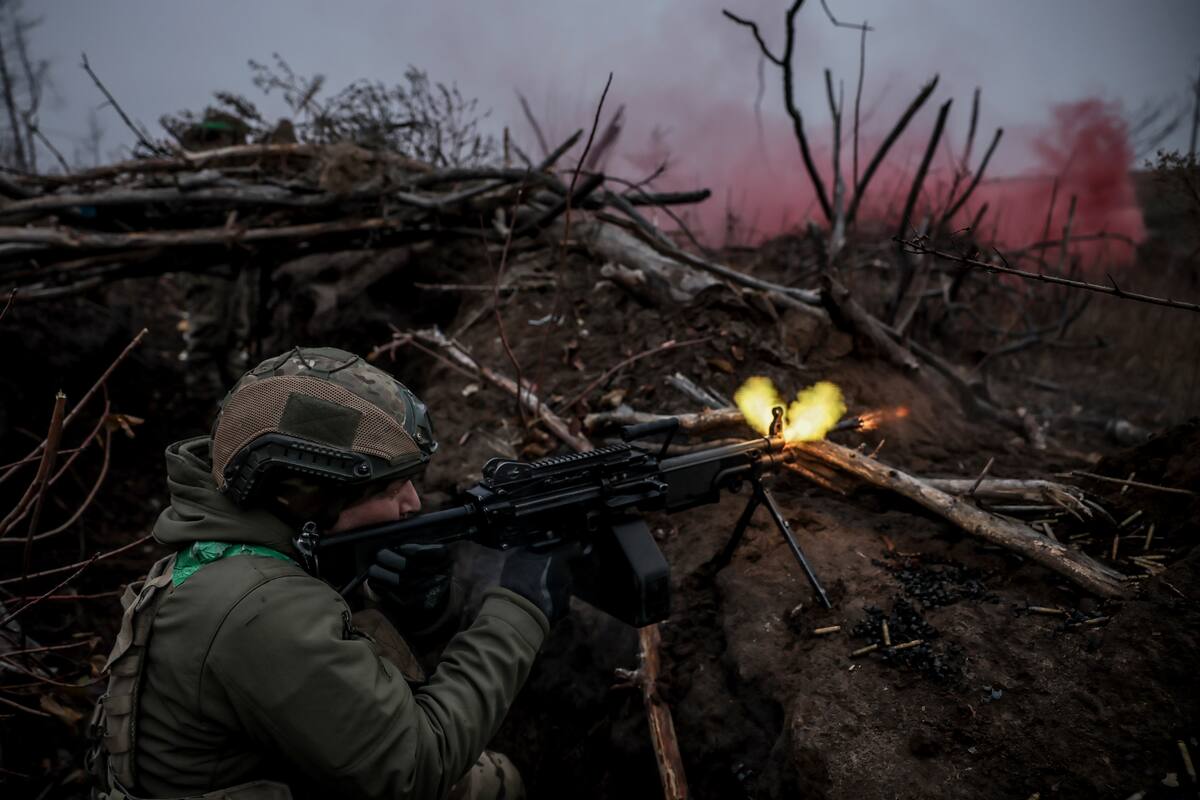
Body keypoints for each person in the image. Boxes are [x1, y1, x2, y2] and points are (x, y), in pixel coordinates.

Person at [88, 347, 573, 800]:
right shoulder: (260, 606)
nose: (413, 504)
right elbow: (417, 766)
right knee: (497, 784)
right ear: (308, 497)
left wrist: (414, 606)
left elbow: (332, 661)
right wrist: (519, 609)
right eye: (390, 489)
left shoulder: (227, 556)